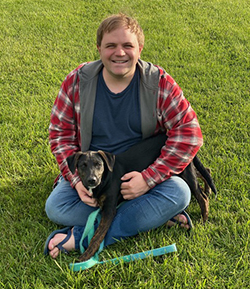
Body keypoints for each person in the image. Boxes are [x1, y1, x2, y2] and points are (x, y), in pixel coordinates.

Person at [44, 13, 203, 259]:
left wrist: (148, 179)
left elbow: (189, 133)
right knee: (56, 207)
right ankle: (151, 216)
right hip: (93, 174)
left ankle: (81, 237)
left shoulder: (158, 83)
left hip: (139, 174)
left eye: (128, 45)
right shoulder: (77, 81)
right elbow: (60, 135)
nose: (120, 53)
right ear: (99, 49)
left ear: (140, 48)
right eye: (111, 46)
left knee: (179, 193)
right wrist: (75, 182)